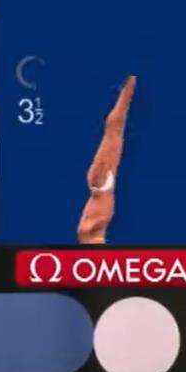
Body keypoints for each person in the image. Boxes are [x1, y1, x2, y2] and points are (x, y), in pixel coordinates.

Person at [77, 74, 135, 244]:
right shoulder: (92, 230)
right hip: (101, 189)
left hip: (100, 189)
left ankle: (129, 85)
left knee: (114, 131)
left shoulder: (91, 229)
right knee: (114, 131)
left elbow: (114, 127)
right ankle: (129, 85)